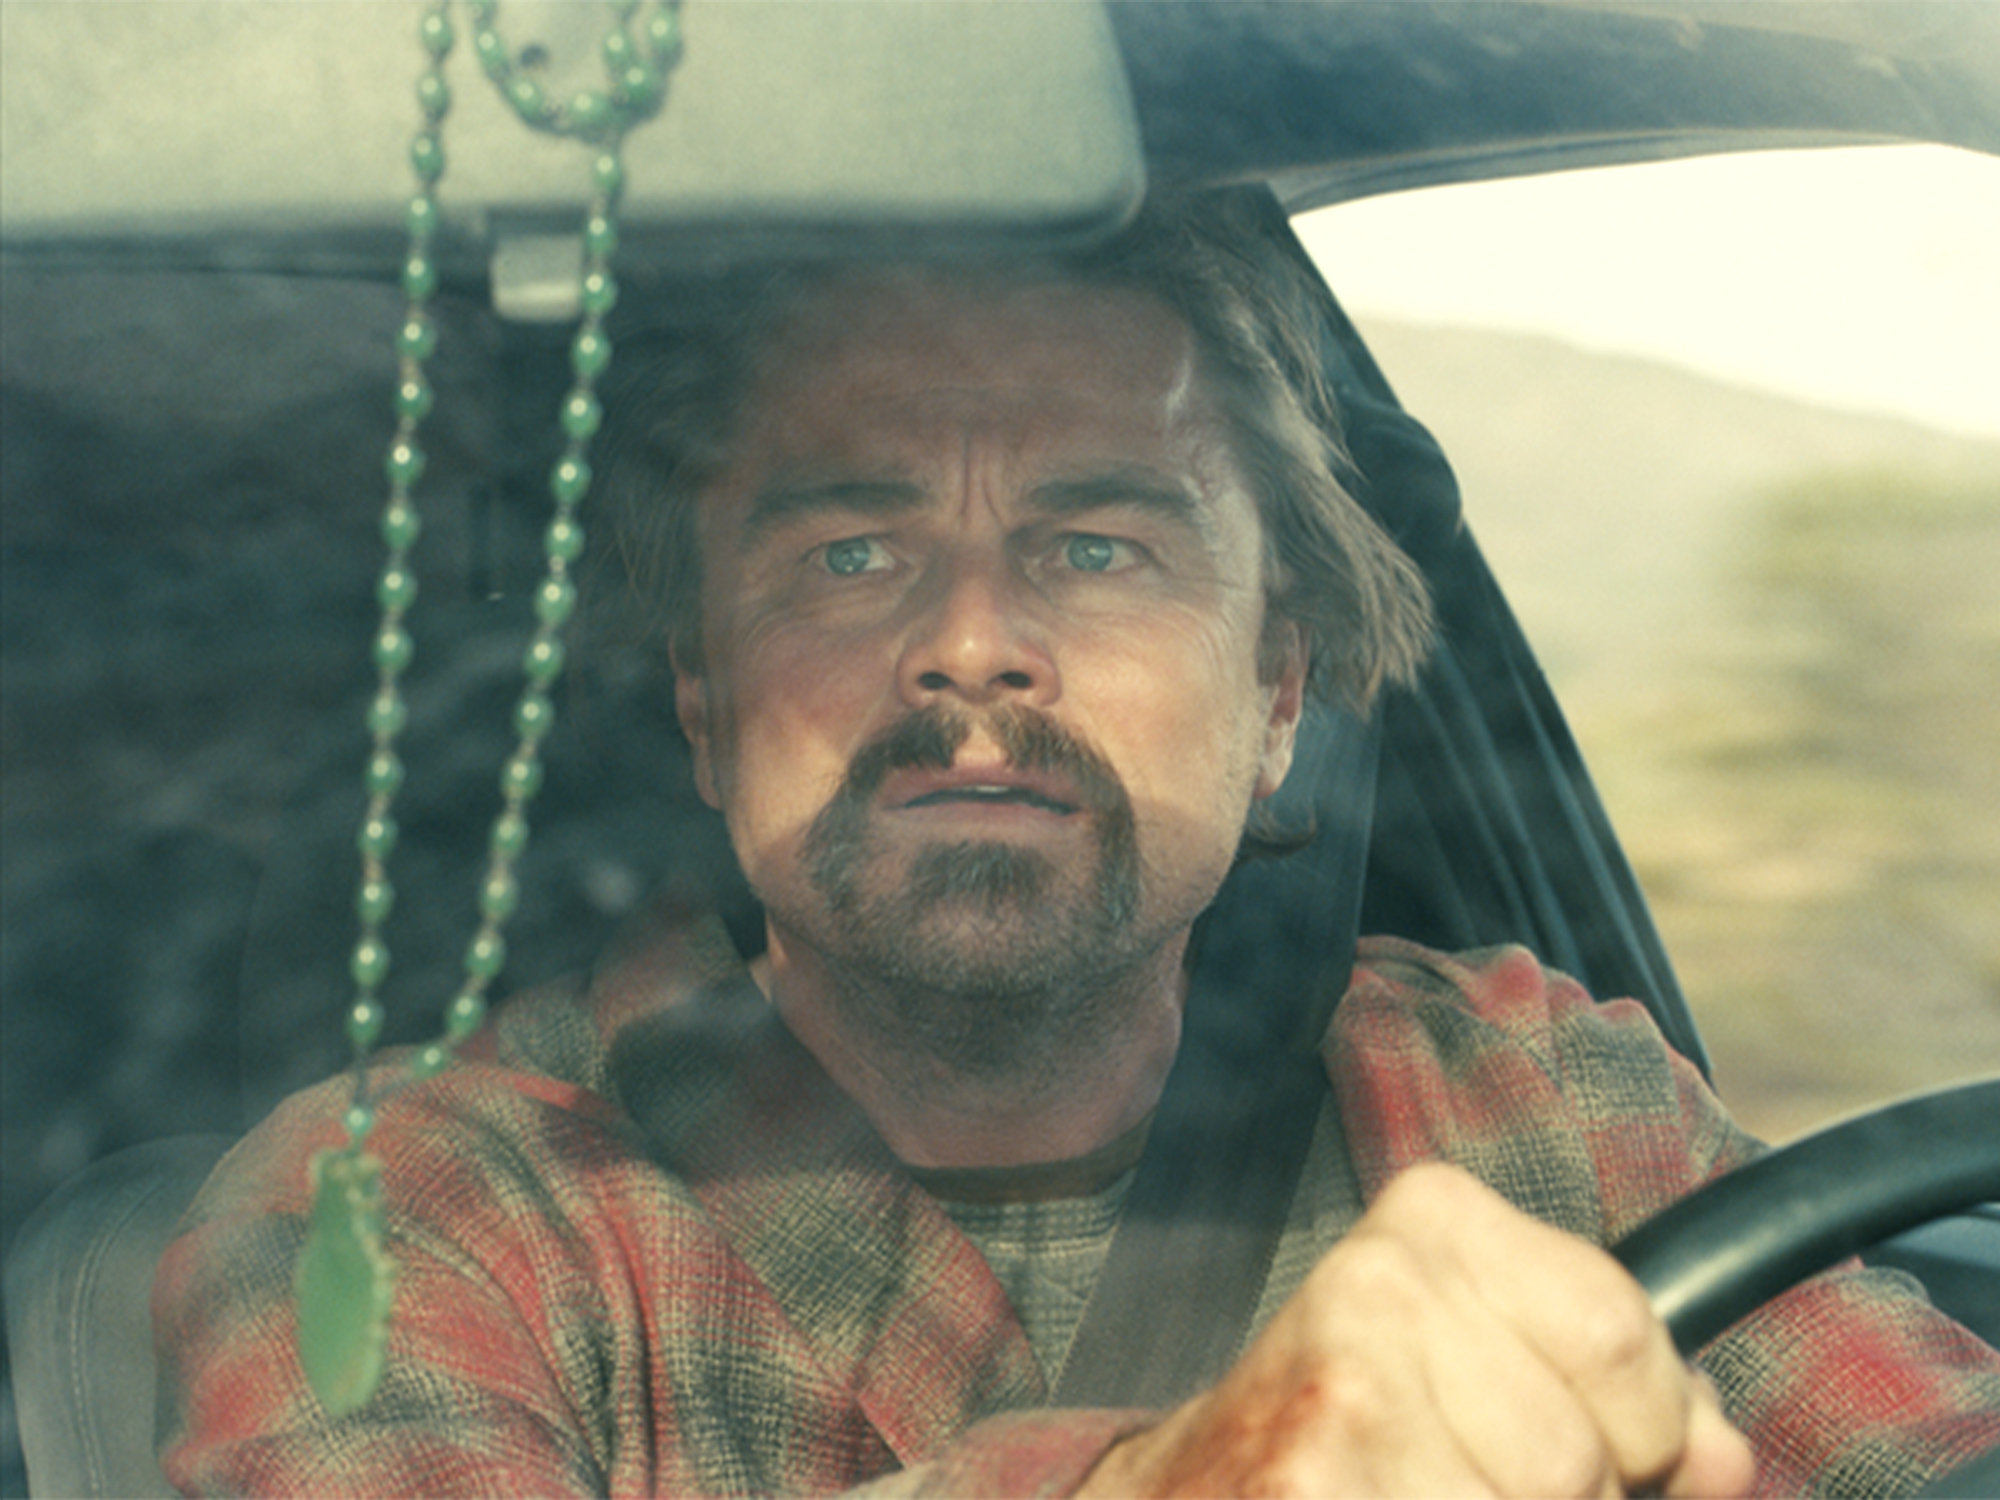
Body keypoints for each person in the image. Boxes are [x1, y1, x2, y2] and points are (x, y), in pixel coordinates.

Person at [154, 191, 2000, 1498]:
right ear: (708, 715)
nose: (970, 641)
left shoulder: (1538, 1102)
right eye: (851, 554)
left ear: (1281, 694)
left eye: (1100, 546)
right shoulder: (404, 1215)